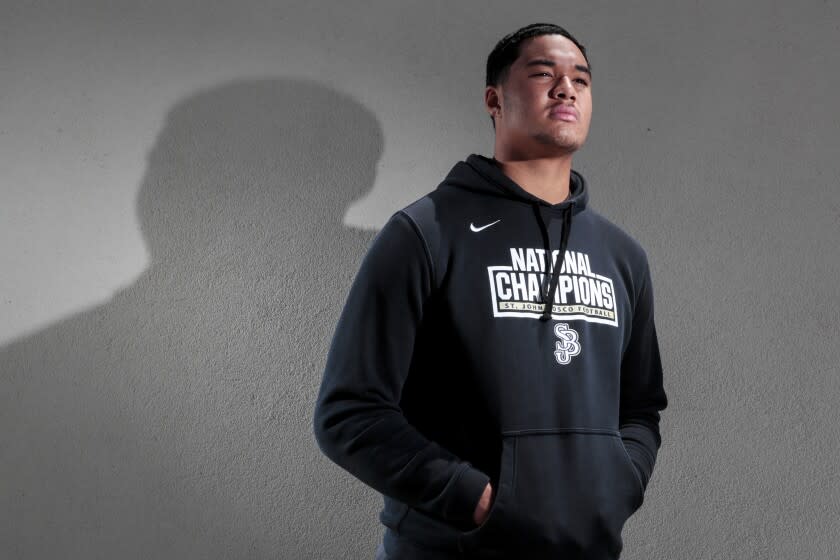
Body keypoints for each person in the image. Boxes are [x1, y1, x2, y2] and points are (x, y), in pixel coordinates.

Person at [313, 22, 669, 560]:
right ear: (494, 99)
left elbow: (641, 406)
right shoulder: (426, 233)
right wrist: (477, 499)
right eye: (544, 73)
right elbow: (348, 413)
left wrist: (618, 484)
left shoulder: (622, 256)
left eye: (581, 79)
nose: (566, 88)